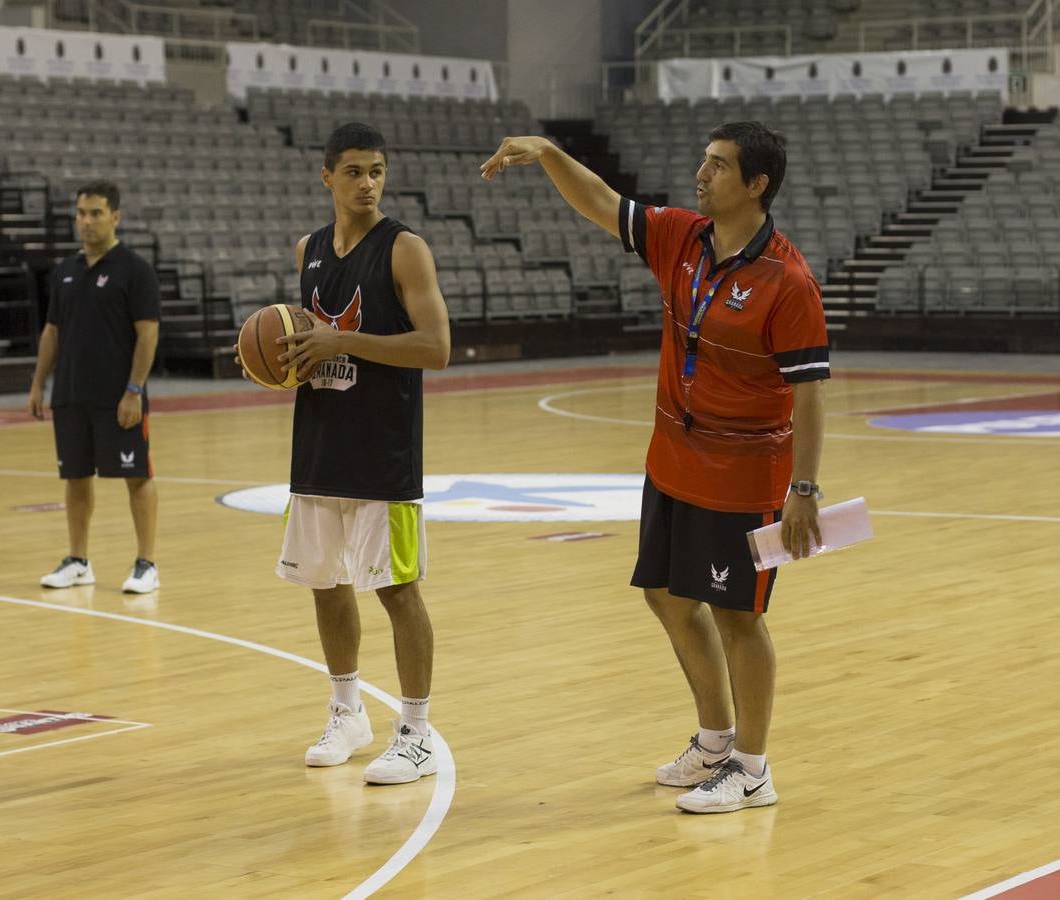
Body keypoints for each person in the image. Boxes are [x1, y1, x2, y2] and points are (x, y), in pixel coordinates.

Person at [482, 122, 828, 814]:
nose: (700, 174)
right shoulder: (680, 237)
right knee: (667, 596)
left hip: (743, 474)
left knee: (737, 617)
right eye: (702, 161)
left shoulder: (786, 279)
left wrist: (803, 490)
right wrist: (549, 153)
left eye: (718, 166)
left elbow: (810, 394)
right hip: (672, 460)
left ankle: (753, 770)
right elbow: (600, 201)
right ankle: (714, 740)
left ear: (755, 186)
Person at [242, 122, 450, 785]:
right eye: (354, 171)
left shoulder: (405, 248)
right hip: (318, 446)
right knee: (324, 585)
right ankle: (346, 711)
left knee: (396, 589)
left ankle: (415, 732)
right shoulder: (307, 249)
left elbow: (434, 347)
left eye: (377, 171)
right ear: (326, 177)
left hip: (382, 453)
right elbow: (310, 345)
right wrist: (289, 360)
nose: (367, 183)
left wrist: (341, 342)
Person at [28, 180, 162, 595]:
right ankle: (78, 560)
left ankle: (146, 564)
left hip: (118, 397)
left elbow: (148, 335)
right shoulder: (65, 272)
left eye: (96, 213)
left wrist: (134, 390)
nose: (86, 222)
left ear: (115, 217)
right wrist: (38, 385)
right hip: (70, 393)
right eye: (81, 214)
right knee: (76, 477)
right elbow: (52, 331)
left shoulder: (134, 270)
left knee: (136, 475)